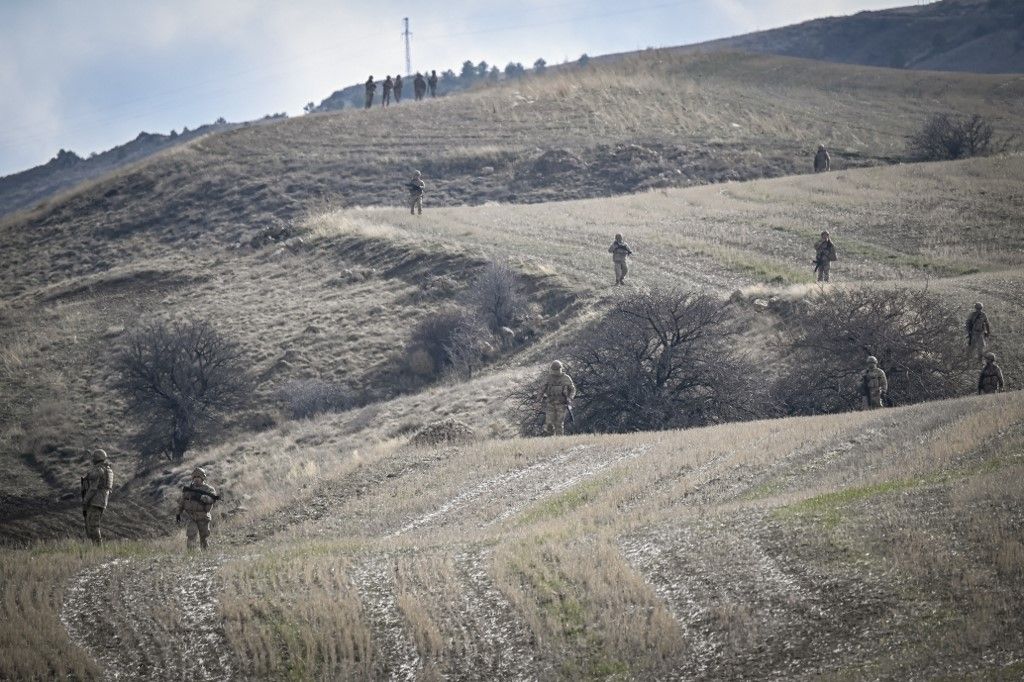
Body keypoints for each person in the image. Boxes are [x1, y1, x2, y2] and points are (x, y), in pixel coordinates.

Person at [176, 467, 219, 552]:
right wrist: (178, 513)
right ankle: (191, 554)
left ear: (203, 478)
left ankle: (205, 554)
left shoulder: (209, 489)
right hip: (192, 517)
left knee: (204, 537)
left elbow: (212, 499)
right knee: (191, 535)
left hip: (203, 517)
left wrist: (201, 497)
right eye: (194, 477)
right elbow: (182, 502)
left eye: (198, 477)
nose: (196, 479)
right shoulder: (189, 489)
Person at [81, 449, 113, 545]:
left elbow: (93, 488)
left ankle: (98, 547)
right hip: (102, 500)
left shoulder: (99, 470)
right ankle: (96, 546)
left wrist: (86, 500)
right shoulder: (108, 469)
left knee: (93, 525)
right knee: (92, 524)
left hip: (95, 500)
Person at [539, 360, 576, 436]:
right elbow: (542, 389)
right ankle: (551, 439)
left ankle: (559, 440)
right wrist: (538, 400)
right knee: (549, 423)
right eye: (554, 370)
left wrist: (570, 398)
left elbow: (573, 389)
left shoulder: (566, 378)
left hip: (562, 404)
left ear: (560, 369)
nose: (555, 372)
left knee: (559, 424)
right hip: (550, 403)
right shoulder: (548, 378)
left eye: (557, 370)